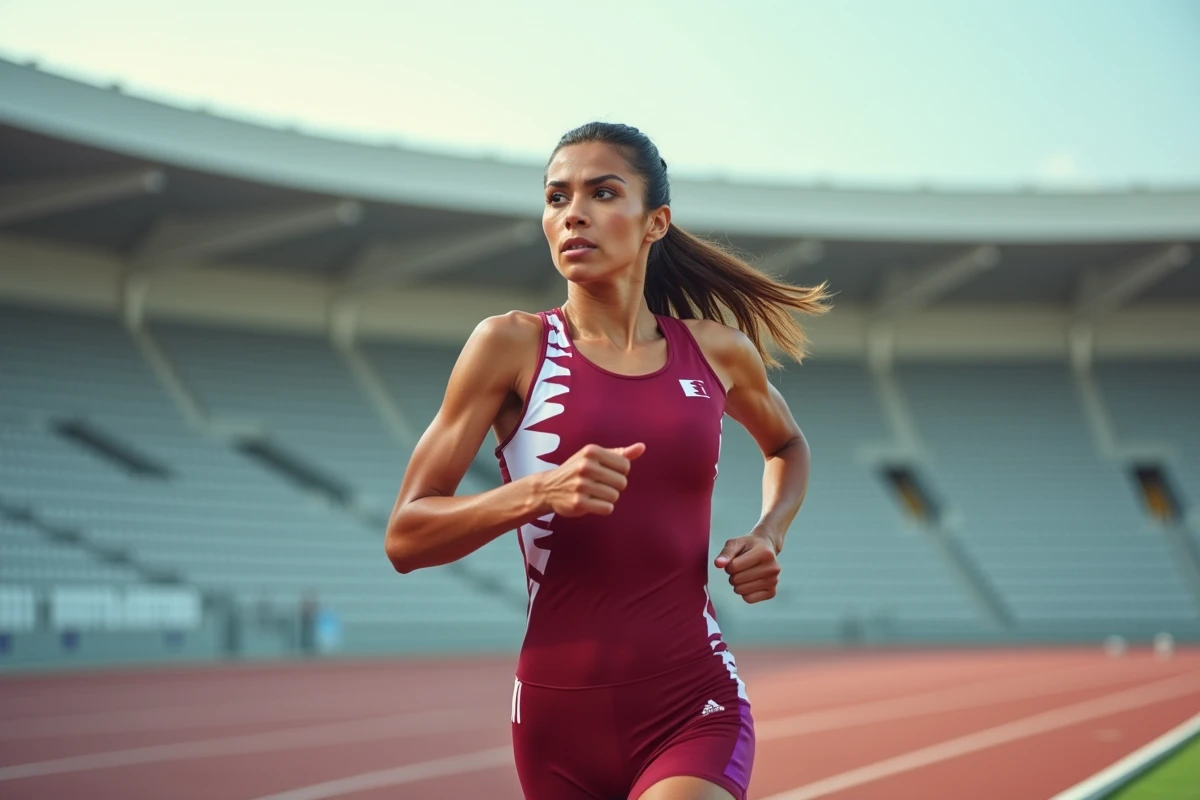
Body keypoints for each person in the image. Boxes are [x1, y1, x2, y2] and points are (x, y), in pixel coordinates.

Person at [385, 122, 829, 800]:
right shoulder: (507, 346)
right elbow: (406, 537)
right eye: (557, 197)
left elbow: (788, 445)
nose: (574, 215)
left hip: (694, 698)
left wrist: (771, 531)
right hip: (556, 717)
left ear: (656, 222)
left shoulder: (717, 351)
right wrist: (538, 491)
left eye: (601, 193)